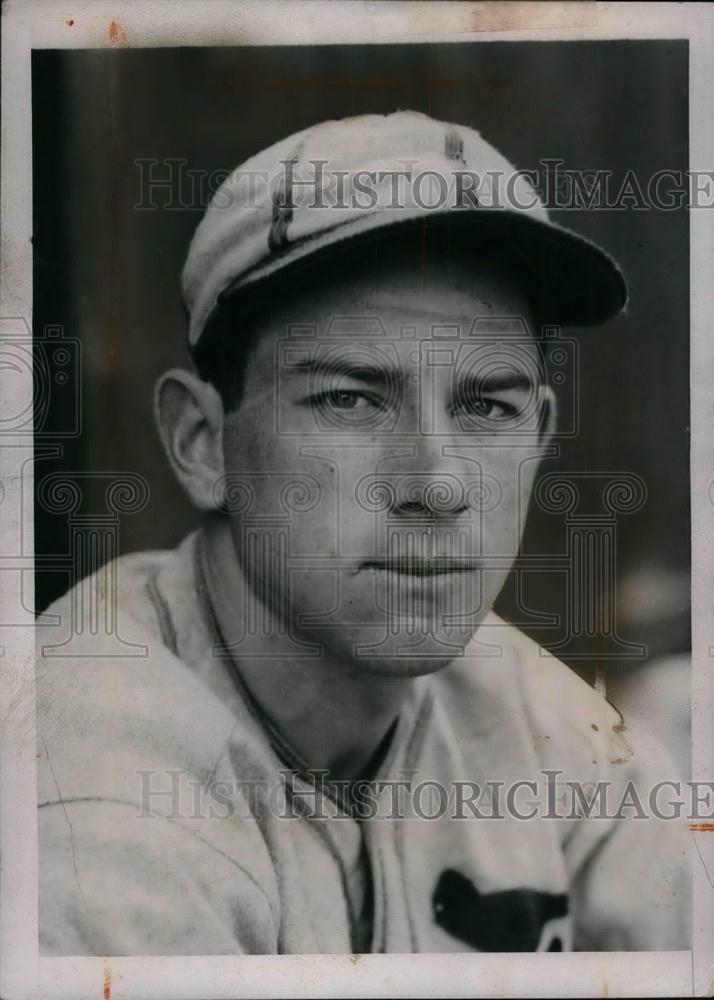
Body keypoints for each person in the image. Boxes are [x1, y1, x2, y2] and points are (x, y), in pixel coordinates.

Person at [36, 111, 689, 955]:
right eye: (350, 399)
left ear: (540, 433)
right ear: (203, 444)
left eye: (488, 406)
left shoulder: (543, 728)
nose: (437, 483)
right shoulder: (88, 796)